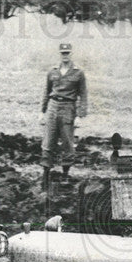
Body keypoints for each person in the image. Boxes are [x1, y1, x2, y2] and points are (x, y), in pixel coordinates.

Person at [40, 41, 88, 189]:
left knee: (68, 142)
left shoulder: (78, 73)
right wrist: (42, 112)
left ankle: (65, 175)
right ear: (59, 54)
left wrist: (80, 115)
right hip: (53, 107)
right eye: (63, 53)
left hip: (68, 108)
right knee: (48, 141)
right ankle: (46, 177)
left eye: (67, 53)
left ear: (71, 54)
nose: (65, 56)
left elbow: (83, 95)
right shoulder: (52, 71)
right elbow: (46, 92)